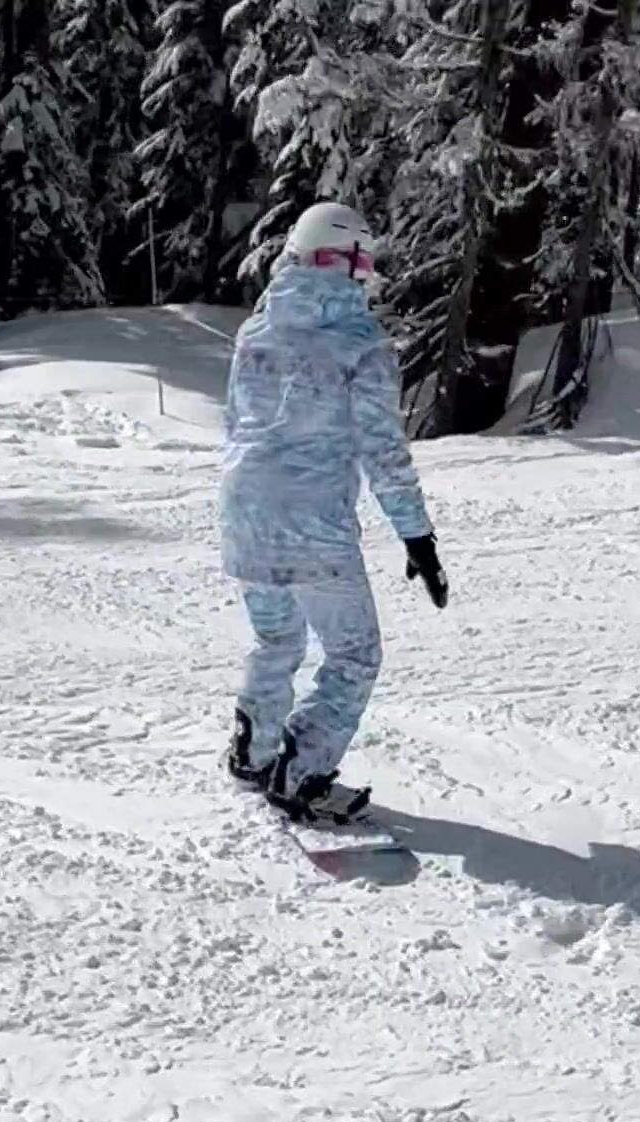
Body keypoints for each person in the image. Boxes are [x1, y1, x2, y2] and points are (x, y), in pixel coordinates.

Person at [221, 201, 448, 819]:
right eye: (363, 266)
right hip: (312, 522)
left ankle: (254, 751)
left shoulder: (256, 331)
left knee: (277, 638)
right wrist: (417, 536)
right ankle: (301, 771)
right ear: (346, 262)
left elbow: (235, 424)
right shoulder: (360, 345)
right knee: (355, 653)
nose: (367, 279)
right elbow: (383, 450)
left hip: (242, 512)